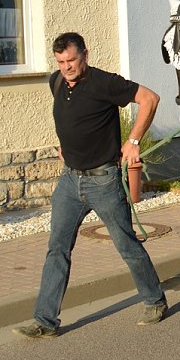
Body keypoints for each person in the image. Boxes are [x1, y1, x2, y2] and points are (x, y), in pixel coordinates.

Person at [13, 32, 167, 339]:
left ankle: (155, 301)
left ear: (85, 54)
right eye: (60, 62)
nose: (66, 67)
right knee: (57, 248)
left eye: (71, 60)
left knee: (126, 244)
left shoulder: (104, 83)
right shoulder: (55, 82)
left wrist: (133, 141)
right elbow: (70, 119)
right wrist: (64, 146)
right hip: (70, 181)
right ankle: (45, 320)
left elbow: (149, 99)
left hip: (104, 181)